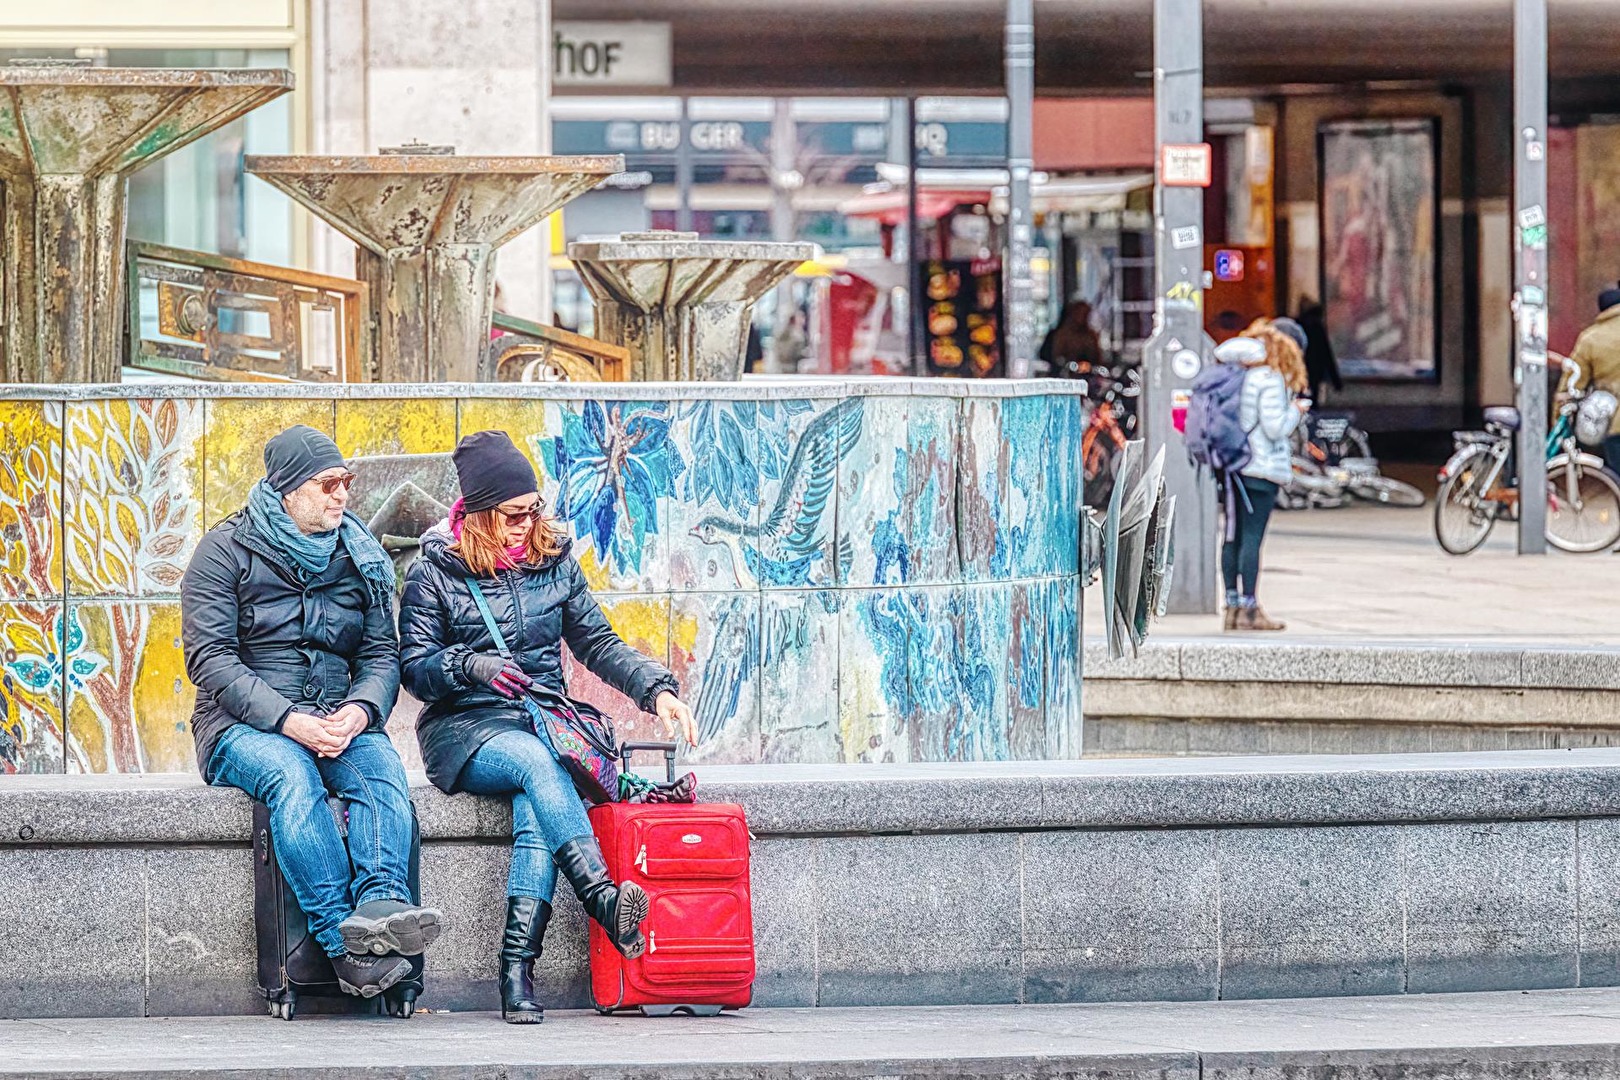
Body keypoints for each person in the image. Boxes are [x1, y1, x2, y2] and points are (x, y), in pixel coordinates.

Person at [397, 430, 699, 1025]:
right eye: (513, 514)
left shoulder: (553, 559)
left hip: (540, 721)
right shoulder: (435, 571)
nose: (526, 523)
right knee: (540, 762)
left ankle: (517, 972)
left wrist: (656, 690)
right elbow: (415, 668)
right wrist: (470, 665)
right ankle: (604, 900)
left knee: (539, 797)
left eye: (535, 509)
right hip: (465, 730)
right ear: (480, 516)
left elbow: (599, 643)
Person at [180, 425, 443, 1000]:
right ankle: (343, 945)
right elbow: (210, 660)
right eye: (328, 484)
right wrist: (286, 721)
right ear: (288, 490)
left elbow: (380, 653)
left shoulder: (360, 557)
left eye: (346, 482)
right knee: (290, 776)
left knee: (382, 774)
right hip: (242, 725)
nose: (342, 495)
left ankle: (380, 907)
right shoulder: (223, 551)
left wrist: (361, 708)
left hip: (334, 714)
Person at [1222, 320, 1310, 632]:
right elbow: (1275, 428)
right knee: (1252, 538)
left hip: (1233, 464)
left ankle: (1232, 606)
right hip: (1260, 469)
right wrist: (1296, 412)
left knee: (1232, 536)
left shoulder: (1241, 373)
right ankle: (1250, 609)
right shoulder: (1270, 377)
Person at [1567, 286, 1620, 475]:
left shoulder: (1590, 338)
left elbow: (1573, 381)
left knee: (1617, 477)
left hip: (1615, 423)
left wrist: (1557, 417)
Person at [1294, 298, 1343, 403]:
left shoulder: (1297, 325)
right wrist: (1336, 381)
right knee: (1313, 396)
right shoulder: (1317, 327)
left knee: (1298, 393)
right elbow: (1326, 352)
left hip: (1299, 364)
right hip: (1315, 367)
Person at [1038, 300, 1103, 378]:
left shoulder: (1090, 335)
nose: (1082, 317)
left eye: (1085, 314)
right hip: (1063, 375)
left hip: (1086, 376)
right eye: (1079, 313)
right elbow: (1055, 356)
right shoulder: (1061, 334)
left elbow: (1096, 358)